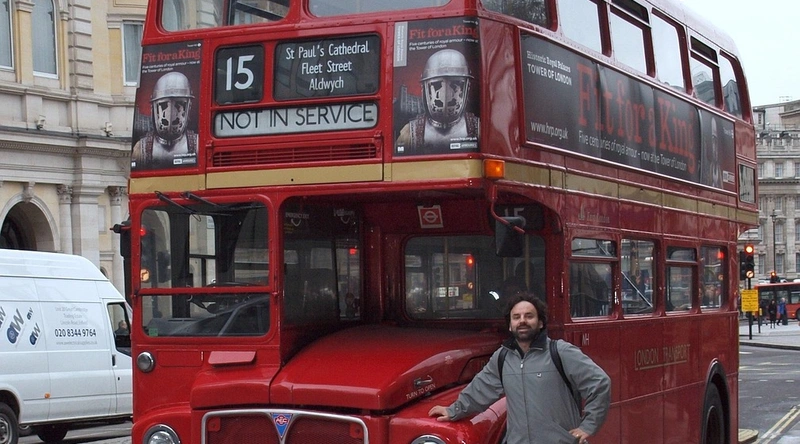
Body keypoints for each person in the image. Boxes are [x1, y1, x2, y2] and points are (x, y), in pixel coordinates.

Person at [428, 293, 611, 444]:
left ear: (540, 323)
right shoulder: (502, 357)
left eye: (529, 316)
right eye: (516, 317)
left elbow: (600, 383)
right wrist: (453, 410)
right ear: (510, 325)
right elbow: (480, 389)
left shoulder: (561, 352)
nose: (522, 321)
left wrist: (588, 426)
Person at [395, 49, 479, 155]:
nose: (446, 95)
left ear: (466, 87)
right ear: (425, 89)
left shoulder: (478, 128)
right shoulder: (409, 132)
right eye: (437, 85)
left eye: (455, 85)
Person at [132, 71, 198, 169]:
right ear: (154, 109)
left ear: (188, 107)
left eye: (178, 105)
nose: (170, 113)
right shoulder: (141, 148)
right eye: (163, 106)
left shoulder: (198, 144)